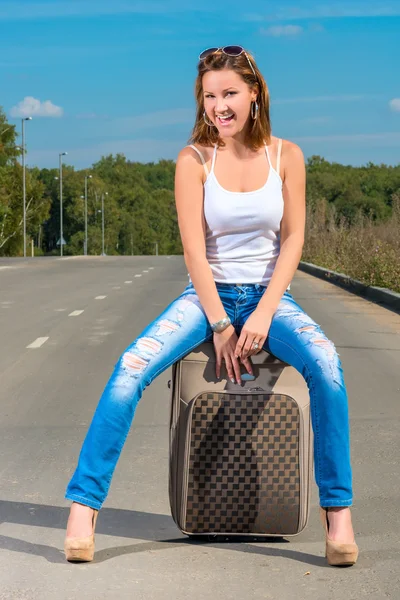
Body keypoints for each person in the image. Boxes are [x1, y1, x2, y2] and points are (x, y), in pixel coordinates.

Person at [64, 45, 358, 567]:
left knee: (329, 367)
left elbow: (293, 240)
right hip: (207, 297)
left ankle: (338, 518)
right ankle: (83, 509)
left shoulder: (286, 155)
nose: (218, 107)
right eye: (209, 96)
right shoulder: (193, 160)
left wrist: (265, 311)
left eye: (229, 94)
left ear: (254, 93)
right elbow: (194, 250)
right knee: (130, 368)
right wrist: (220, 323)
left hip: (271, 297)